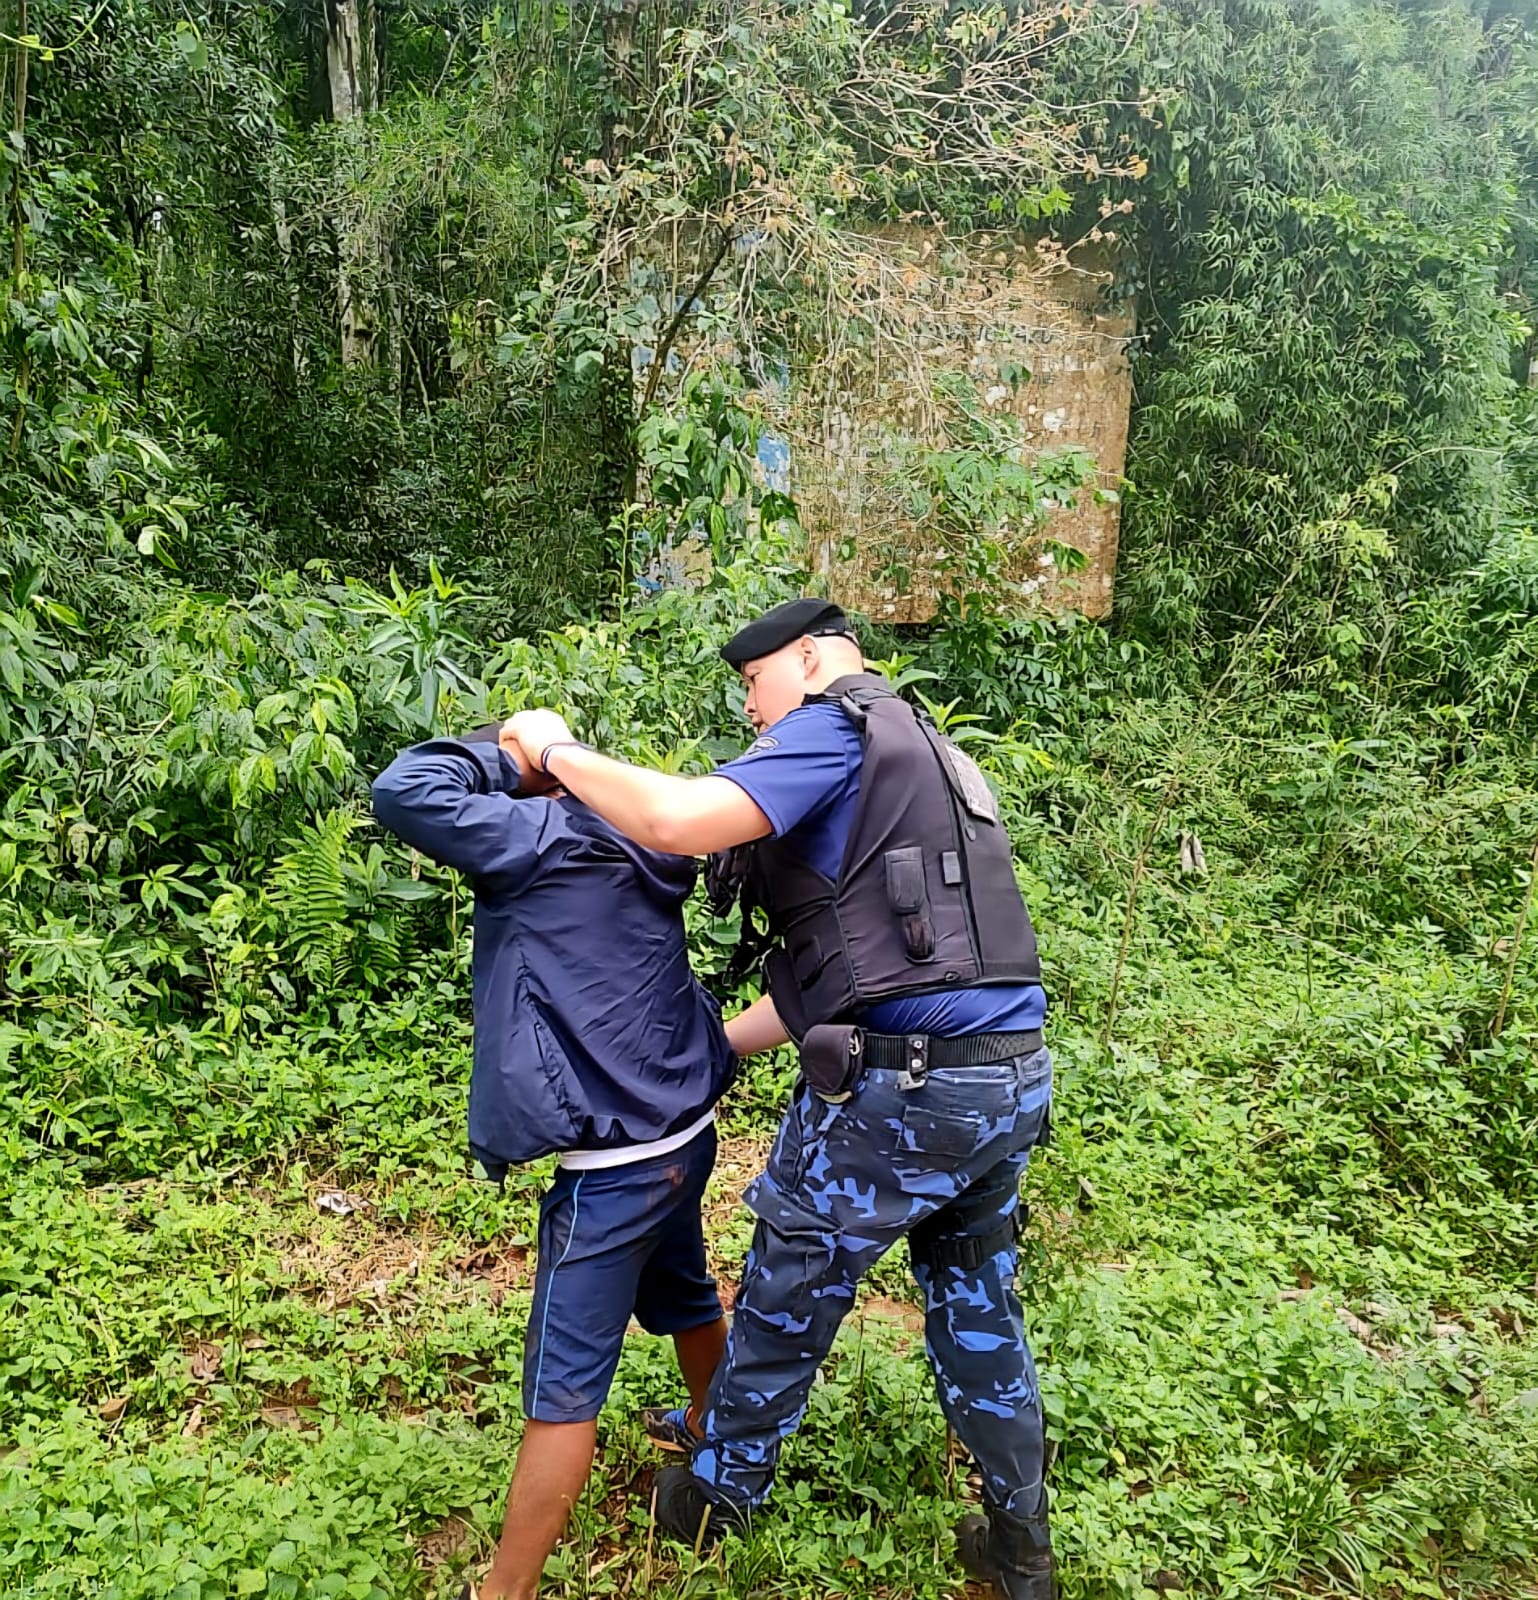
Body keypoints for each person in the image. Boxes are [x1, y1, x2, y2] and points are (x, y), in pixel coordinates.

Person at [501, 597, 1057, 1600]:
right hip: (1005, 1079)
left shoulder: (834, 727)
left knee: (787, 1283)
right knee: (977, 1302)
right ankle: (1020, 1541)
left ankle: (716, 1493)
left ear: (807, 658)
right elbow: (855, 976)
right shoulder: (928, 751)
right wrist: (709, 1046)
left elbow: (676, 821)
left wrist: (556, 749)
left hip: (902, 1087)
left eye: (754, 684)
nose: (753, 712)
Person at [371, 722, 737, 1600]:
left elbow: (403, 790)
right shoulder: (646, 830)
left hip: (613, 1168)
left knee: (562, 1389)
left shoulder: (541, 838)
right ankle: (716, 1431)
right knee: (685, 1289)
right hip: (684, 1129)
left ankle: (507, 1589)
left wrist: (513, 754)